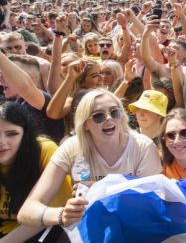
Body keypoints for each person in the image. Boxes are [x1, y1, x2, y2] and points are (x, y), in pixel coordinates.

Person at [18, 89, 162, 228]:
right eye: (98, 116)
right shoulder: (72, 148)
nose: (109, 118)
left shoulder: (142, 146)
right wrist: (62, 214)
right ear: (85, 124)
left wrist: (102, 190)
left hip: (134, 229)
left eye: (115, 112)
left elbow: (153, 204)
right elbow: (27, 211)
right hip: (89, 230)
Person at [0, 101, 71, 242]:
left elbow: (52, 213)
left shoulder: (44, 150)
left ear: (25, 134)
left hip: (46, 226)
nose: (2, 141)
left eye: (12, 134)